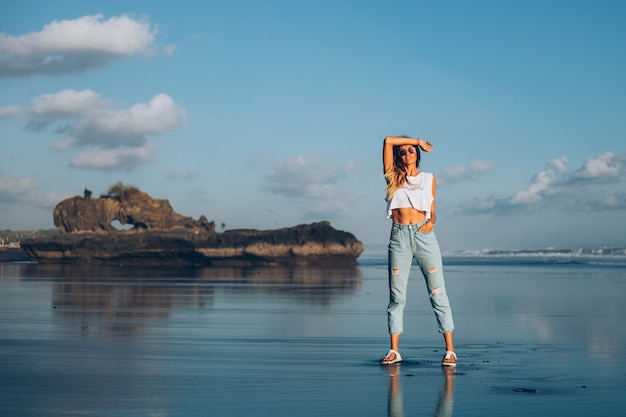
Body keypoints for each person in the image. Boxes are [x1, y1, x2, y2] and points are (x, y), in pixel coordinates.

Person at [380, 135, 457, 367]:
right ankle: (394, 351)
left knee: (437, 293)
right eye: (402, 152)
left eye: (411, 151)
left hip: (424, 237)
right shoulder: (392, 177)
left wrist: (432, 222)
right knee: (397, 298)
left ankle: (450, 351)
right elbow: (386, 141)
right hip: (399, 238)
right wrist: (416, 140)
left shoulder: (429, 178)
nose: (406, 155)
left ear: (418, 154)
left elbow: (432, 210)